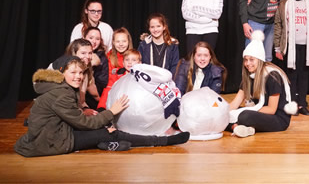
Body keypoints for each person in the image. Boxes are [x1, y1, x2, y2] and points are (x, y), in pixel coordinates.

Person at [14, 55, 190, 157]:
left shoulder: (59, 87)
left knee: (104, 129)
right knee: (110, 132)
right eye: (73, 72)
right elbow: (85, 124)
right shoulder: (61, 94)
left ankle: (105, 142)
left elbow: (71, 117)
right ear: (61, 73)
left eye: (81, 72)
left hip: (54, 133)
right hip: (54, 142)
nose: (78, 76)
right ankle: (162, 141)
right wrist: (111, 112)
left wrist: (98, 117)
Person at [227, 31, 298, 137]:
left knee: (244, 116)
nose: (248, 63)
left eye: (251, 60)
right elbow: (235, 103)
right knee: (226, 115)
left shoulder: (272, 76)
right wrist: (221, 112)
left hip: (277, 118)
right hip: (259, 113)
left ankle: (237, 125)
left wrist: (243, 111)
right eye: (245, 60)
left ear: (259, 60)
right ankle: (238, 128)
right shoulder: (248, 77)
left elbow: (271, 109)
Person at [82, 27, 109, 104]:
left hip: (92, 98)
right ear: (84, 37)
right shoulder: (76, 52)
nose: (94, 41)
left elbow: (103, 83)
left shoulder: (102, 58)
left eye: (97, 39)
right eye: (91, 38)